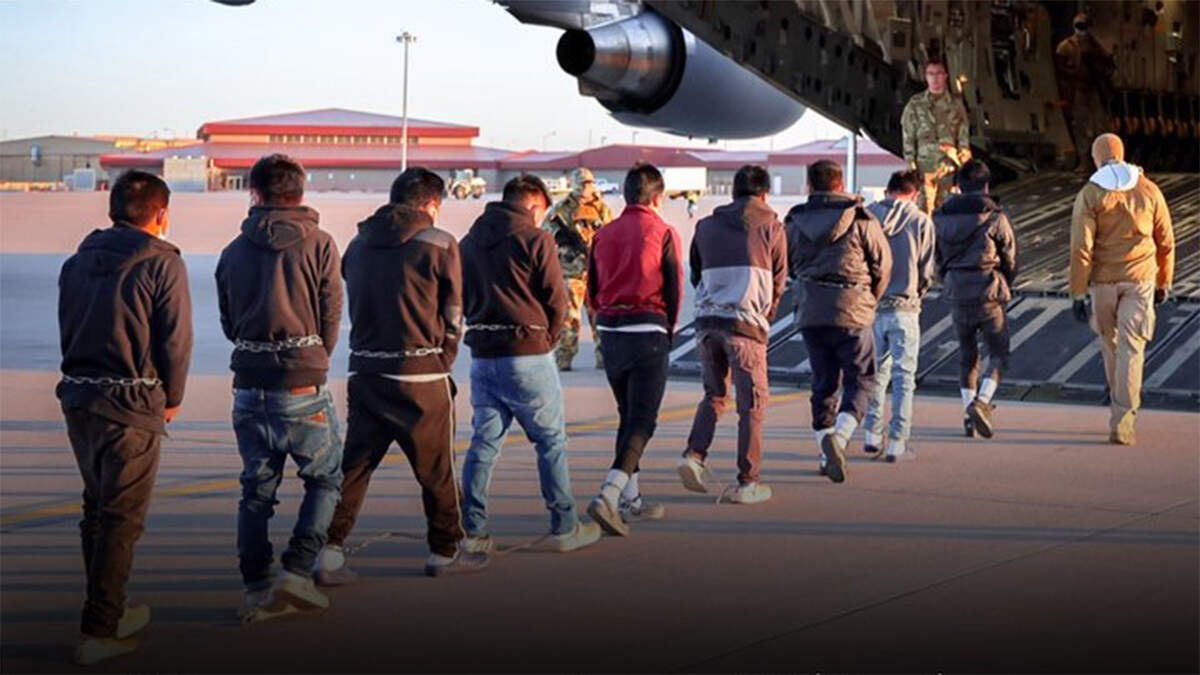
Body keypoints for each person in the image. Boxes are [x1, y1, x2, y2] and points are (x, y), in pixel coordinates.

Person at [314, 168, 487, 583]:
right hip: (420, 375)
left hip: (367, 371)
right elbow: (454, 310)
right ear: (431, 204)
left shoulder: (358, 243)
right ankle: (444, 550)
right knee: (437, 470)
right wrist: (443, 357)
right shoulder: (439, 243)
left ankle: (328, 549)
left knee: (354, 467)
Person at [57, 170, 193, 665]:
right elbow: (175, 339)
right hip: (131, 402)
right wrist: (172, 396)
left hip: (80, 397)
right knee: (120, 518)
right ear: (161, 214)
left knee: (97, 509)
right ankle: (99, 628)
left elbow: (67, 325)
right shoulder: (162, 262)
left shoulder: (77, 261)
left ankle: (110, 610)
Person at [215, 154, 344, 621]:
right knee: (325, 478)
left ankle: (256, 586)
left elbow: (228, 322)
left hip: (250, 382)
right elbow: (331, 314)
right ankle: (297, 568)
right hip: (302, 381)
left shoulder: (233, 251)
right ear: (301, 192)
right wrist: (314, 357)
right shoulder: (321, 244)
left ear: (255, 193)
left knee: (256, 491)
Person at [459, 175, 601, 553]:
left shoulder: (468, 242)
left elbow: (459, 295)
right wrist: (547, 340)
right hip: (527, 353)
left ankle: (473, 531)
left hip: (482, 356)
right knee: (550, 441)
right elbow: (557, 300)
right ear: (533, 205)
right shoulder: (537, 239)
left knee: (483, 444)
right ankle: (564, 526)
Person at [677, 165, 787, 504]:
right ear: (764, 194)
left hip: (708, 323)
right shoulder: (772, 227)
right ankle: (747, 482)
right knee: (752, 405)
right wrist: (764, 318)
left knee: (714, 394)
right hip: (745, 326)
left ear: (733, 192)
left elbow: (696, 274)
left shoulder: (705, 225)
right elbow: (779, 282)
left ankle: (694, 456)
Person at [584, 163, 684, 534]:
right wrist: (668, 330)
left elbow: (592, 289)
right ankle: (609, 493)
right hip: (647, 329)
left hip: (610, 331)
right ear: (657, 197)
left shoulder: (603, 234)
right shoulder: (663, 232)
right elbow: (674, 289)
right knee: (643, 420)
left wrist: (603, 318)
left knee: (627, 415)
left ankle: (632, 499)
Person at [786, 160, 892, 483]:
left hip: (811, 311)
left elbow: (787, 264)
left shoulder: (795, 221)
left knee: (823, 382)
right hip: (853, 310)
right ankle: (840, 438)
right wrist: (869, 299)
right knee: (862, 379)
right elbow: (883, 265)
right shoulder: (861, 219)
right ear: (840, 183)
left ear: (810, 185)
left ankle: (824, 450)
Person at [1069, 133, 1174, 445]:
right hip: (1140, 280)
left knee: (1110, 345)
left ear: (1097, 158)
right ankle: (1123, 421)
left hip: (1103, 283)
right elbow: (1166, 241)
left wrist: (1077, 291)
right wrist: (1164, 281)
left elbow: (1080, 248)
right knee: (1132, 349)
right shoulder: (1149, 189)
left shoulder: (1090, 194)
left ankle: (1118, 406)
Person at [933, 159, 1018, 439]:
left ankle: (969, 416)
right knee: (999, 354)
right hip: (989, 291)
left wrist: (948, 279)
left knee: (967, 356)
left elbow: (937, 259)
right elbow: (1010, 258)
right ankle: (982, 402)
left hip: (957, 292)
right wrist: (1005, 282)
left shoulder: (940, 217)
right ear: (986, 185)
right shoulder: (995, 217)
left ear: (958, 186)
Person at [861, 170, 935, 462]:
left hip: (872, 307)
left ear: (888, 190)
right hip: (905, 307)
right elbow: (926, 269)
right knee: (904, 376)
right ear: (914, 193)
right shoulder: (921, 221)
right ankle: (897, 442)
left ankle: (871, 434)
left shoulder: (868, 217)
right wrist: (917, 292)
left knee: (875, 373)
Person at [542, 167, 613, 370]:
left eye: (589, 183)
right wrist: (562, 240)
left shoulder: (602, 209)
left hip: (596, 271)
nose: (586, 188)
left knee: (599, 316)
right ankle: (564, 358)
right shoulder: (561, 210)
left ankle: (604, 358)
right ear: (574, 185)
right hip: (571, 270)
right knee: (569, 319)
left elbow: (611, 234)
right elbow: (546, 232)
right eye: (582, 183)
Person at [901, 58, 972, 214]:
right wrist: (911, 166)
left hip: (948, 168)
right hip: (924, 169)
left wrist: (965, 167)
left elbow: (963, 137)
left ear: (945, 76)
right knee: (924, 213)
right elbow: (908, 136)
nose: (935, 78)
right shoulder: (915, 104)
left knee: (947, 213)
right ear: (926, 77)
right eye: (931, 74)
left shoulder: (956, 105)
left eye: (939, 73)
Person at [1056, 13, 1116, 174]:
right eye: (1079, 26)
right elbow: (1060, 67)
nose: (1081, 30)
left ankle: (1105, 160)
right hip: (1078, 89)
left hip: (1094, 89)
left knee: (1101, 126)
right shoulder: (1067, 46)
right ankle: (1084, 160)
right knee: (1081, 127)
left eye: (1084, 26)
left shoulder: (1096, 46)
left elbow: (1108, 65)